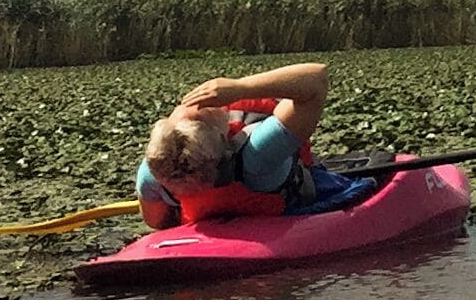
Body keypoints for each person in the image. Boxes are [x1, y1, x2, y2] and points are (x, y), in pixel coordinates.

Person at [137, 60, 371, 227]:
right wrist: (242, 88)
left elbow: (157, 222)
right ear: (222, 140)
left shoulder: (151, 175)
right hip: (281, 197)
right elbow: (317, 79)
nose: (197, 106)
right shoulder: (259, 156)